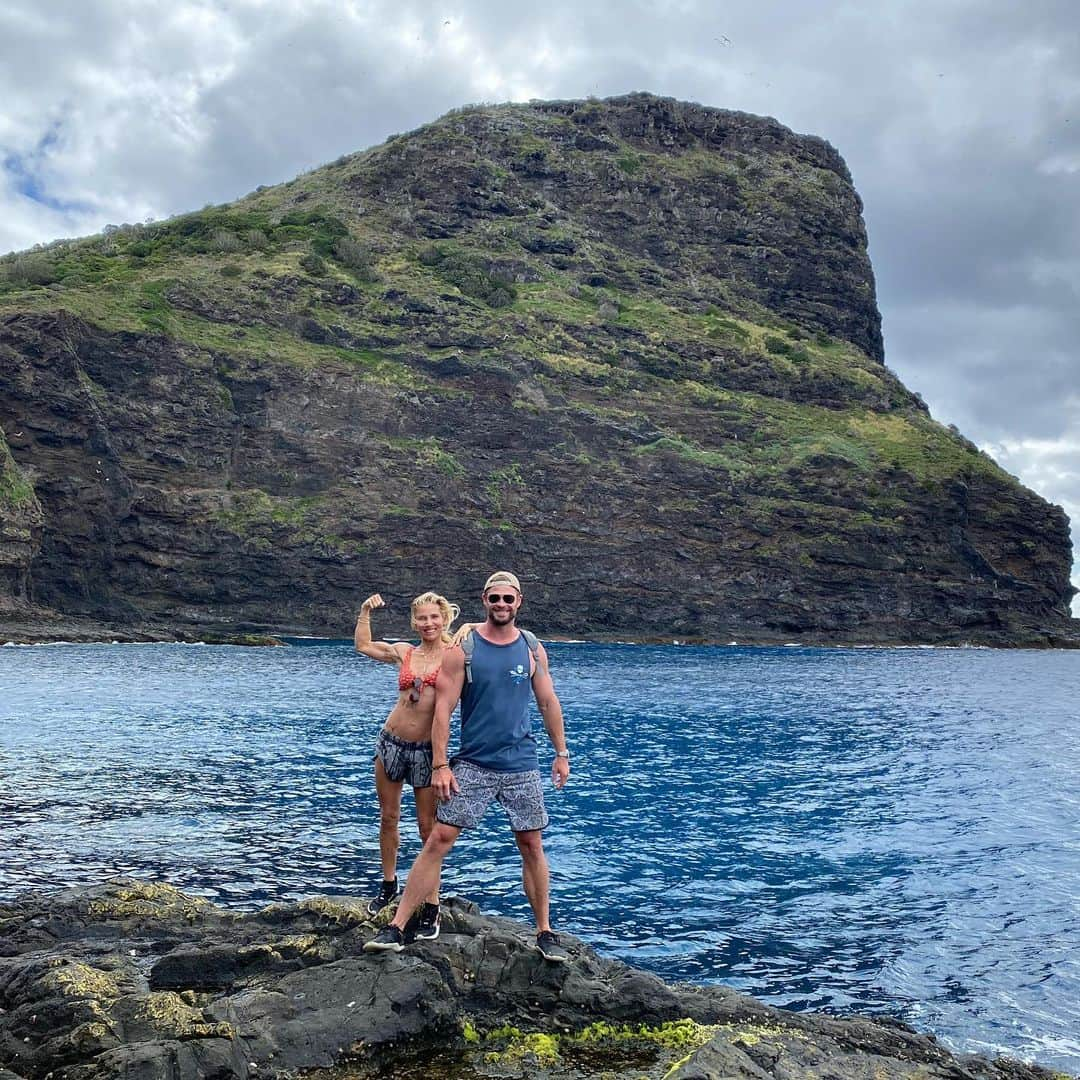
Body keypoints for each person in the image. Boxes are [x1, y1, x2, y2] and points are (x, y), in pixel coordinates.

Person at [365, 571, 571, 962]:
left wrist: (561, 753)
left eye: (508, 599)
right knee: (439, 839)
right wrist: (441, 765)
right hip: (474, 763)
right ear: (485, 599)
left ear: (519, 602)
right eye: (495, 599)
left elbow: (547, 702)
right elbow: (443, 710)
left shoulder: (532, 648)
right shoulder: (463, 650)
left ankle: (545, 931)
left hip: (521, 764)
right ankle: (398, 926)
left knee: (531, 843)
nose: (502, 605)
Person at [354, 589, 467, 941]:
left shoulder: (456, 655)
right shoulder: (406, 652)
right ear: (414, 622)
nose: (428, 623)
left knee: (427, 829)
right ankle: (388, 885)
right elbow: (364, 645)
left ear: (446, 618)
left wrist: (469, 626)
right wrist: (364, 611)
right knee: (388, 817)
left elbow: (489, 631)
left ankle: (430, 905)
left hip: (425, 752)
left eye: (435, 617)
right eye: (422, 618)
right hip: (390, 743)